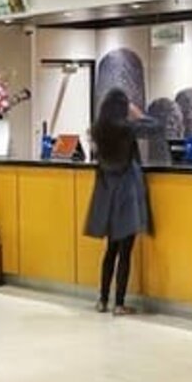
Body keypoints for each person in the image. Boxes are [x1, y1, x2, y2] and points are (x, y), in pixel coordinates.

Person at [84, 88, 155, 315]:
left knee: (111, 250)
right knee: (125, 251)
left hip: (107, 194)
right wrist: (138, 114)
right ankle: (119, 304)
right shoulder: (126, 128)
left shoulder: (98, 129)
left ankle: (102, 300)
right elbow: (156, 128)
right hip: (127, 194)